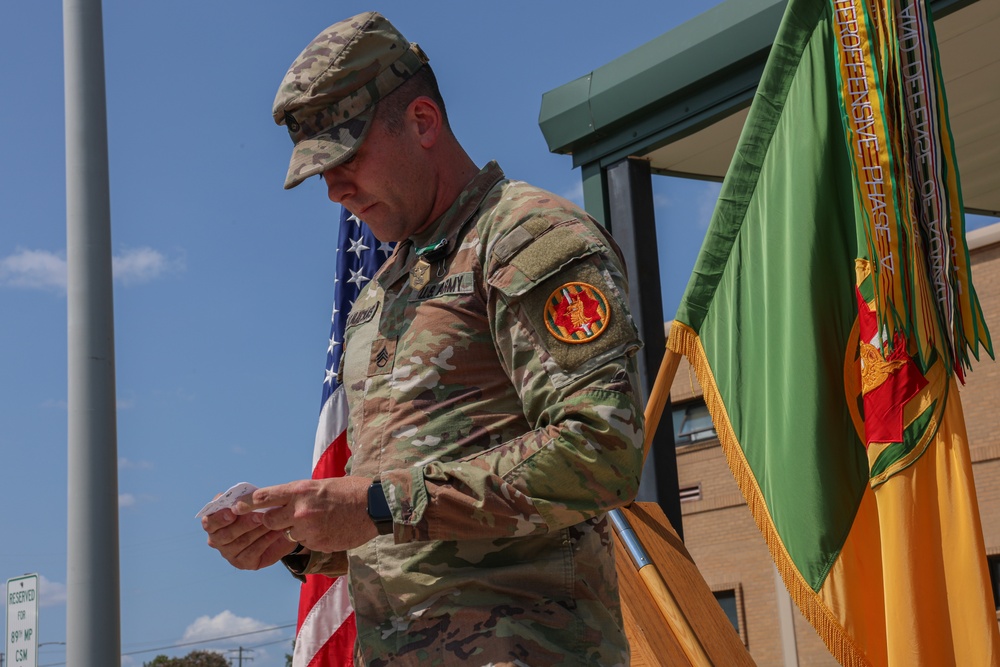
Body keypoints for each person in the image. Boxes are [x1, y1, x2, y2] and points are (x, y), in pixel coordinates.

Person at [202, 11, 645, 666]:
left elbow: (604, 448)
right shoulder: (380, 297)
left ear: (423, 122)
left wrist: (379, 502)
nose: (333, 190)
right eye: (320, 171)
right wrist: (299, 535)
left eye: (346, 157)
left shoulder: (526, 237)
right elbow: (398, 522)